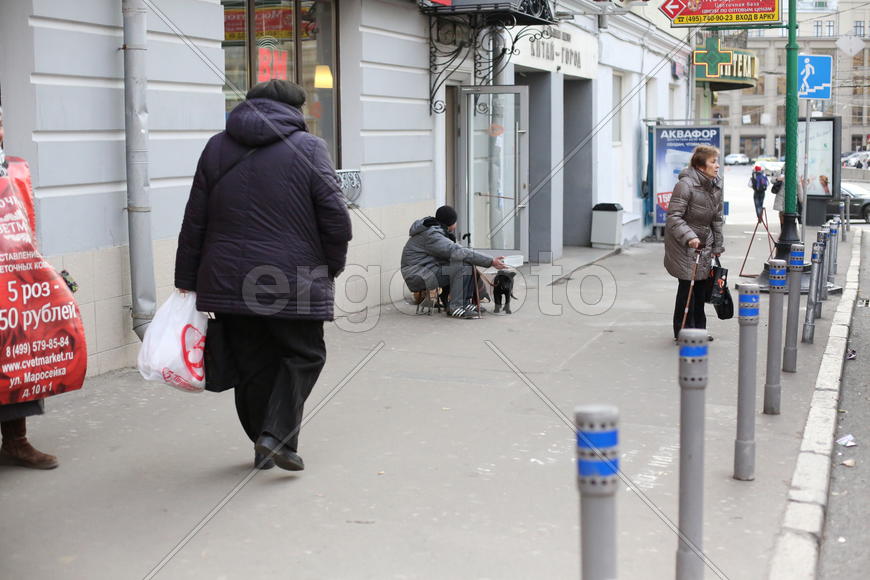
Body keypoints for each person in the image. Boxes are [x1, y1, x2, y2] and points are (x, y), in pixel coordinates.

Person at [175, 80, 352, 472]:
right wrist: (331, 266)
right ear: (296, 109)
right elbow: (335, 218)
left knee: (252, 363)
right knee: (304, 355)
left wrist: (187, 277)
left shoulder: (217, 146)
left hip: (227, 278)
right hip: (292, 275)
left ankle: (263, 441)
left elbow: (195, 218)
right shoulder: (309, 148)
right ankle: (275, 437)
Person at [0, 107, 58, 469]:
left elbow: (25, 226)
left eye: (1, 123)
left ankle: (16, 441)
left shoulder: (13, 169)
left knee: (15, 356)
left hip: (12, 281)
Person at [400, 205, 507, 319]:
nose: (456, 225)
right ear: (450, 223)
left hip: (427, 270)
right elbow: (457, 251)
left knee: (466, 262)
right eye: (455, 222)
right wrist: (491, 261)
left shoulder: (433, 229)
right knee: (462, 265)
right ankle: (456, 307)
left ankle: (464, 304)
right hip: (417, 275)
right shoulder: (432, 235)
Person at [664, 145, 724, 342]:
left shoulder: (715, 185)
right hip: (685, 245)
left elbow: (716, 218)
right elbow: (674, 217)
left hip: (704, 246)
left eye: (717, 161)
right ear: (700, 165)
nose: (717, 166)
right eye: (713, 162)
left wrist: (717, 246)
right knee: (687, 288)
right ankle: (681, 331)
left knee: (700, 289)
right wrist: (690, 237)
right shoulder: (685, 185)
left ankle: (698, 330)